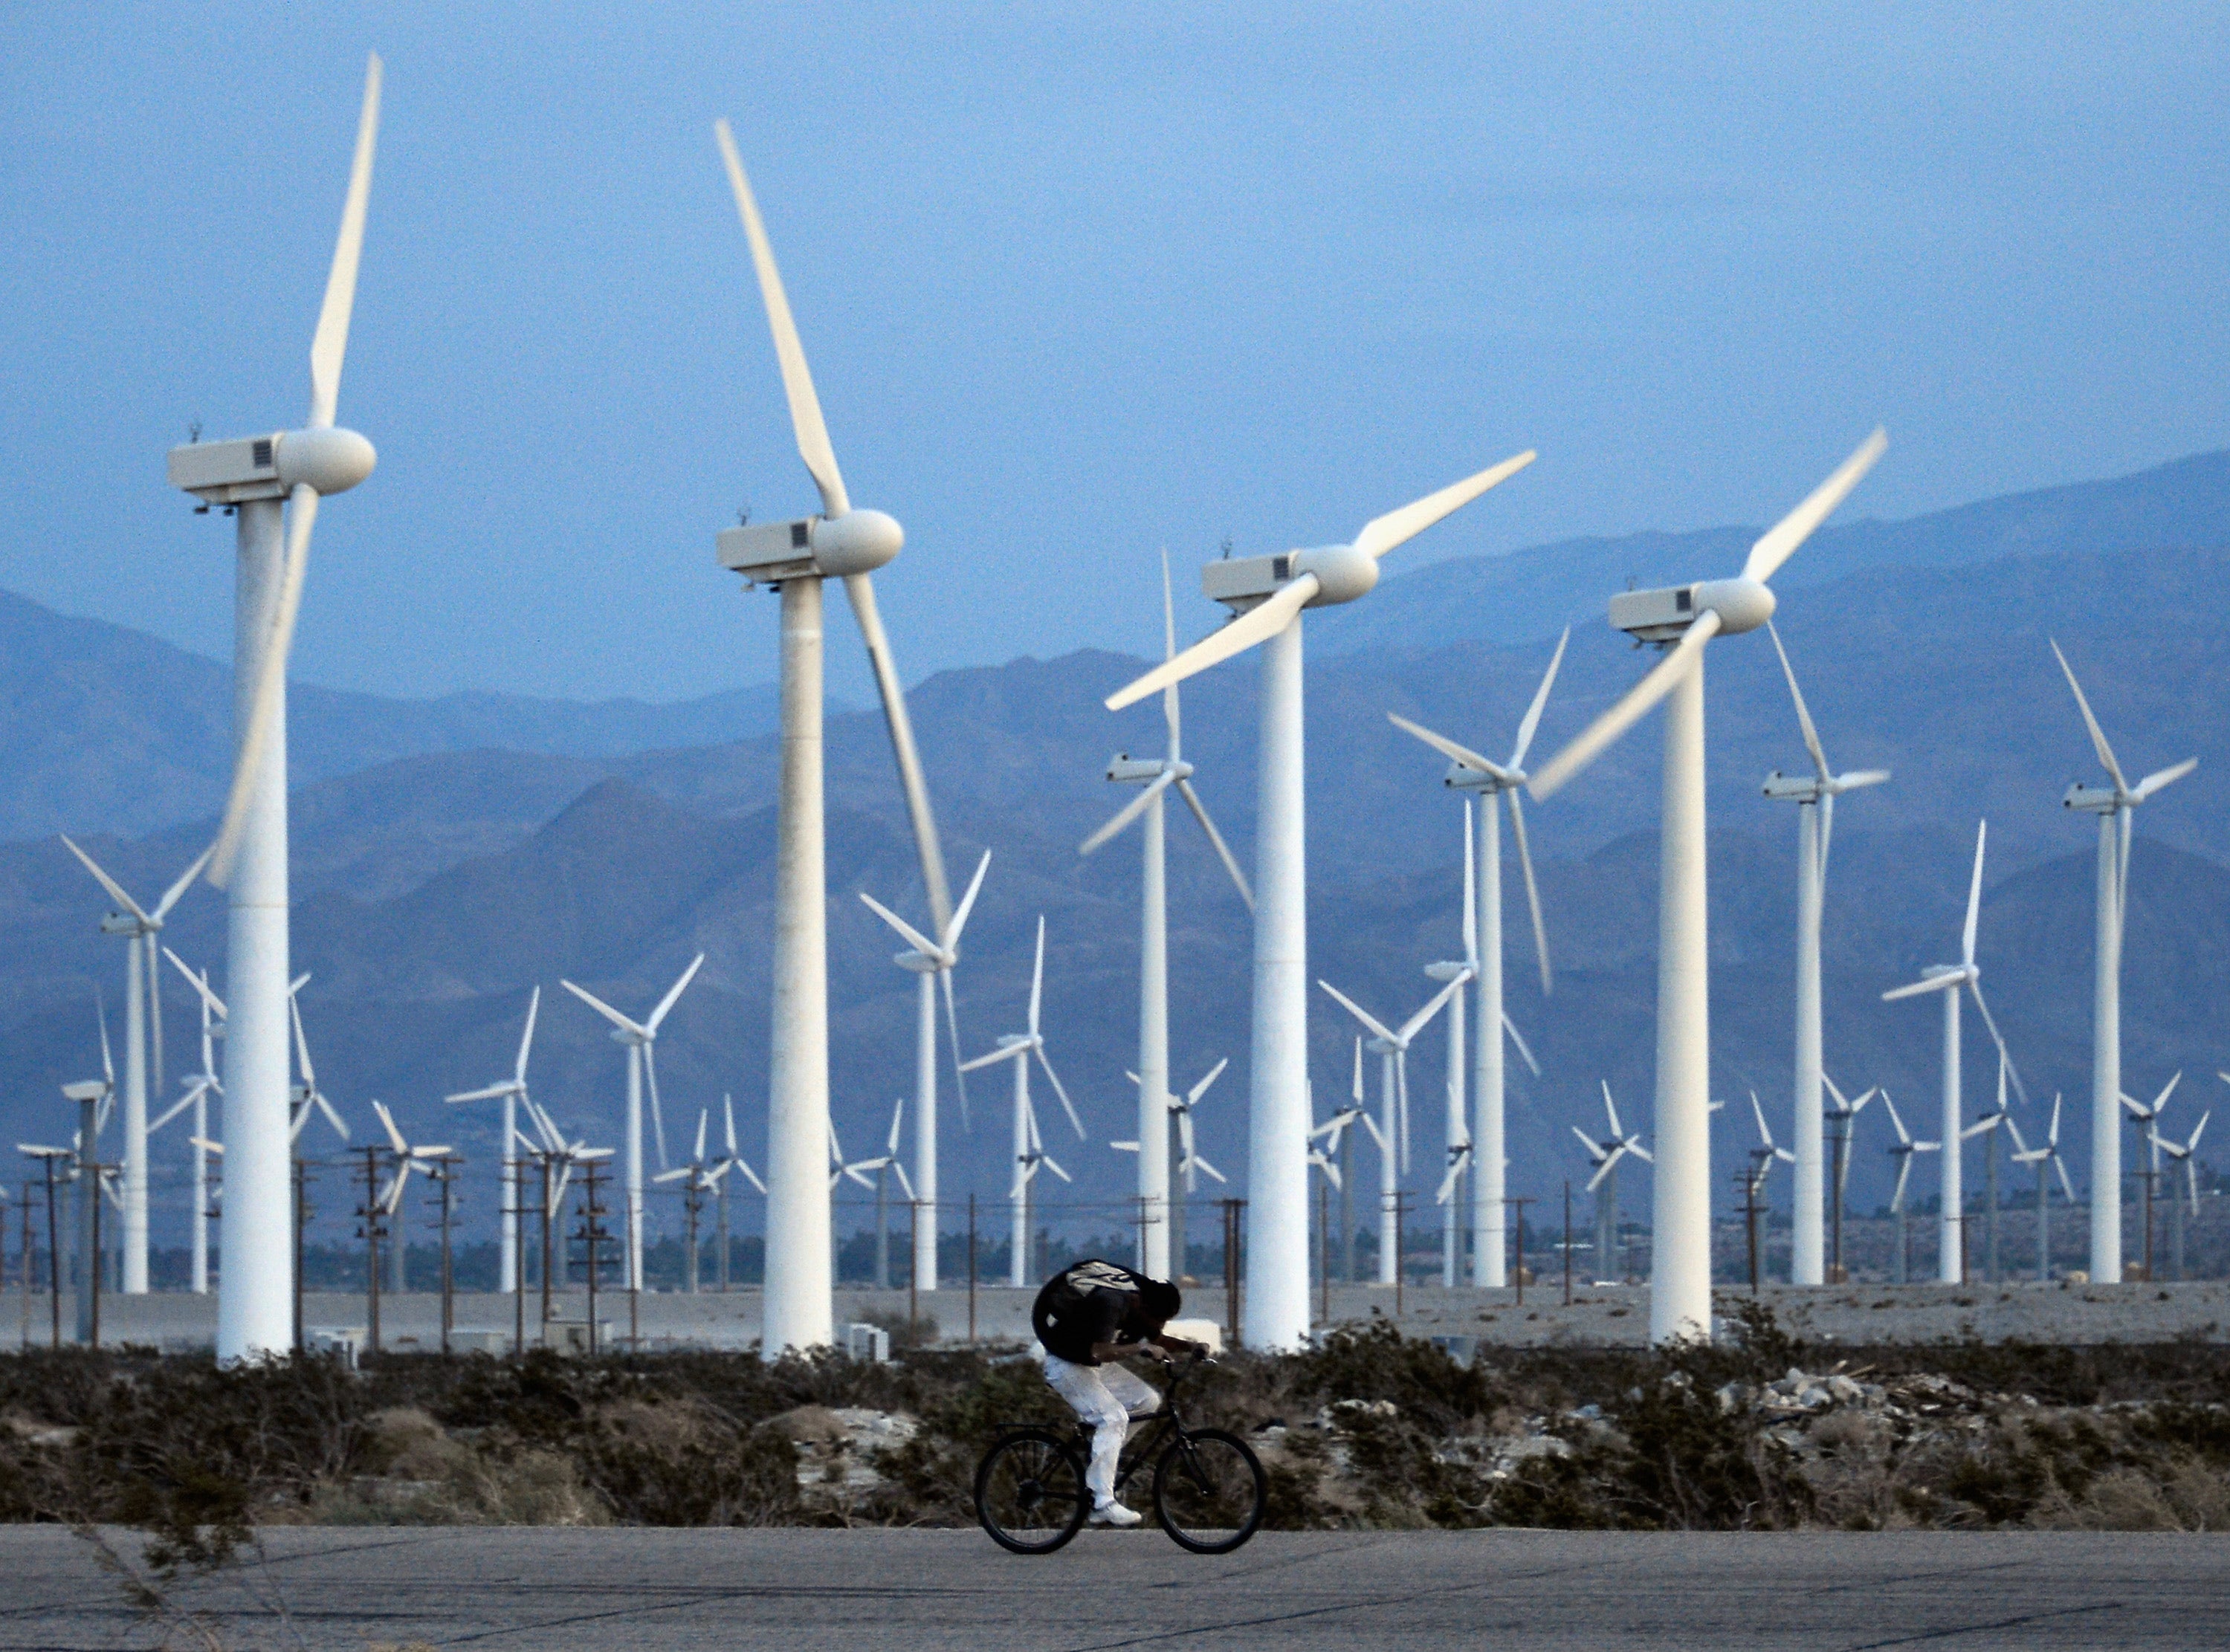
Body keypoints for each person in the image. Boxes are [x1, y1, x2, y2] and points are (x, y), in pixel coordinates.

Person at [1032, 1258, 1200, 1526]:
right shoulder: (1111, 1302)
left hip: (1091, 1364)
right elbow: (1101, 1350)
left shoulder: (1146, 1305)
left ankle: (1102, 1458)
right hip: (1066, 1364)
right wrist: (1139, 1349)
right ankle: (1102, 1503)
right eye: (1157, 1319)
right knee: (1113, 1418)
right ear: (1142, 1304)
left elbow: (1157, 1339)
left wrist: (1191, 1347)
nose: (1158, 1324)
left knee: (1147, 1401)